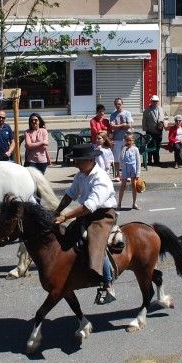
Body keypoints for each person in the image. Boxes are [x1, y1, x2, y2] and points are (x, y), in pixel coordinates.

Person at [52, 143, 119, 304]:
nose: (76, 164)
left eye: (79, 161)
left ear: (90, 159)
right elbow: (70, 194)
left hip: (102, 216)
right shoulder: (80, 175)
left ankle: (107, 282)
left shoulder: (101, 178)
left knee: (94, 241)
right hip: (86, 215)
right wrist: (57, 211)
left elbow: (89, 206)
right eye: (75, 160)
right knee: (67, 235)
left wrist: (65, 217)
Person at [109, 98, 133, 178]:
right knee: (116, 158)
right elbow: (112, 127)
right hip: (117, 139)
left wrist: (117, 127)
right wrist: (123, 125)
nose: (118, 105)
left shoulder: (127, 113)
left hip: (126, 139)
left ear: (122, 104)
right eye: (116, 104)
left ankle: (127, 174)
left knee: (127, 158)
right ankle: (117, 174)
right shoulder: (113, 115)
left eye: (119, 104)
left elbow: (129, 125)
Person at [117, 133, 141, 210]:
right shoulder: (123, 148)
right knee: (122, 186)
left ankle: (134, 203)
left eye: (130, 140)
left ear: (133, 140)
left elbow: (138, 161)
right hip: (125, 168)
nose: (129, 142)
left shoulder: (135, 149)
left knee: (133, 186)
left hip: (133, 168)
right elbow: (120, 158)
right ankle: (119, 203)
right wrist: (123, 150)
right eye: (127, 140)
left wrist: (138, 173)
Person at [141, 95, 166, 166]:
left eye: (156, 101)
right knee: (150, 145)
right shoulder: (147, 110)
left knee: (157, 146)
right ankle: (149, 161)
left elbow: (163, 117)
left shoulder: (160, 109)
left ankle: (157, 160)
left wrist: (163, 123)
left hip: (159, 130)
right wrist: (145, 128)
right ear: (151, 101)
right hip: (150, 130)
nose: (155, 103)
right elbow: (144, 120)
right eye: (154, 101)